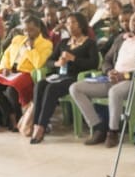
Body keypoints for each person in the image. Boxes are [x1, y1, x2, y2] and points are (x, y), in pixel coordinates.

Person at [70, 8, 135, 146]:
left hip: (131, 81)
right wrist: (109, 72)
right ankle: (98, 128)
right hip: (112, 78)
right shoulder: (120, 38)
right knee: (75, 88)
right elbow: (106, 59)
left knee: (114, 92)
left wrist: (125, 75)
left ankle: (113, 132)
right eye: (133, 20)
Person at [28, 12, 98, 144]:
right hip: (60, 75)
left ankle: (41, 126)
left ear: (81, 25)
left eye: (73, 22)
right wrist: (57, 63)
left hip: (76, 77)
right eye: (68, 23)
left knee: (51, 88)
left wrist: (74, 59)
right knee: (40, 85)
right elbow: (49, 61)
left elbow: (93, 64)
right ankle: (36, 123)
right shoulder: (63, 42)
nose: (69, 25)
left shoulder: (90, 43)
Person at [0, 15, 53, 131]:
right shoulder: (17, 39)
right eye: (25, 30)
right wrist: (5, 67)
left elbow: (38, 63)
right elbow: (6, 55)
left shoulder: (46, 44)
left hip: (27, 72)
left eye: (31, 30)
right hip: (11, 71)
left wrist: (31, 49)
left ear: (39, 29)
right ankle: (9, 114)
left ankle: (18, 118)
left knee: (12, 90)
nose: (27, 33)